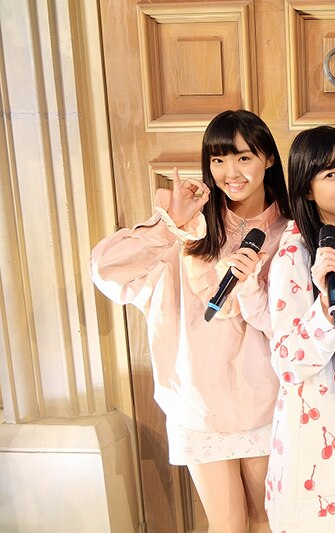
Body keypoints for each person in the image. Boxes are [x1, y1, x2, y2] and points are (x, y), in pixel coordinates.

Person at [90, 110, 290, 533]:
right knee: (227, 527)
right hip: (199, 406)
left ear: (269, 158)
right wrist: (169, 225)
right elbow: (107, 271)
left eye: (243, 157)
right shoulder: (186, 230)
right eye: (218, 160)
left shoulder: (290, 234)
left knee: (270, 523)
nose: (230, 172)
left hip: (268, 403)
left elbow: (293, 328)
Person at [261, 126, 335, 531]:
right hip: (316, 434)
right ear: (307, 188)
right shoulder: (294, 253)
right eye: (331, 174)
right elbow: (288, 363)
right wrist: (325, 306)